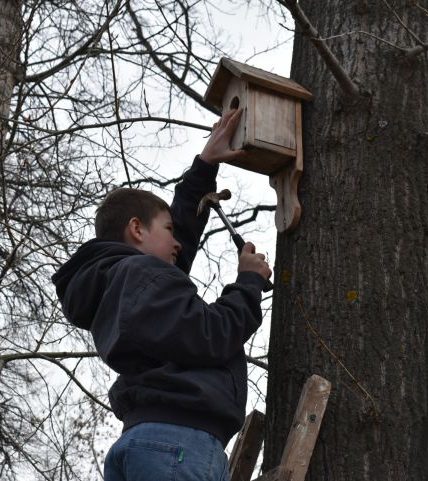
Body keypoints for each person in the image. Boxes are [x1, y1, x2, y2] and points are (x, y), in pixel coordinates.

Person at [51, 108, 272, 481]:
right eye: (167, 230)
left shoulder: (120, 283)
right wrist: (247, 283)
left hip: (153, 441)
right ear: (136, 230)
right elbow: (209, 334)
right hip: (176, 445)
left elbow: (175, 247)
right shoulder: (139, 276)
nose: (176, 243)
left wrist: (204, 167)